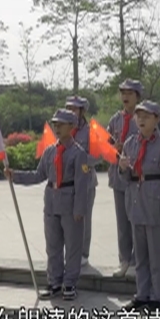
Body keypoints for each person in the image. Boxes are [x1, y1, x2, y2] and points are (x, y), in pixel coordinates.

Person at [4, 109, 92, 301]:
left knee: (73, 247)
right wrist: (15, 175)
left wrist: (80, 209)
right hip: (52, 203)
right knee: (53, 246)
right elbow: (38, 175)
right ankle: (55, 282)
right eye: (55, 124)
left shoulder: (78, 154)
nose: (57, 128)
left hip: (70, 204)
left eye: (61, 124)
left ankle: (70, 283)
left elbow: (82, 184)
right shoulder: (50, 151)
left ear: (72, 126)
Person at [118, 100, 160, 313]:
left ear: (157, 119)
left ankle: (156, 297)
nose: (141, 120)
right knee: (140, 256)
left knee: (157, 256)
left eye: (147, 116)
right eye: (139, 116)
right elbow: (127, 178)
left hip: (156, 206)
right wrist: (122, 168)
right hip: (136, 204)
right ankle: (142, 294)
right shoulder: (130, 143)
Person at [107, 79, 143, 278]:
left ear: (137, 96)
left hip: (137, 179)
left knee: (136, 221)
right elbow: (105, 145)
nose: (125, 97)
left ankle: (137, 261)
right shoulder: (115, 120)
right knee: (122, 222)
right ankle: (124, 260)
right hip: (118, 177)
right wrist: (114, 148)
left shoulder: (143, 117)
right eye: (123, 93)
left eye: (130, 93)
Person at [65, 95, 97, 267]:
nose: (72, 112)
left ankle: (83, 253)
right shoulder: (64, 129)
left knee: (84, 218)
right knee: (68, 220)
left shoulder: (90, 131)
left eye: (75, 109)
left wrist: (80, 160)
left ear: (82, 111)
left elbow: (98, 156)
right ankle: (70, 252)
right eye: (69, 108)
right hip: (67, 183)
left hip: (86, 181)